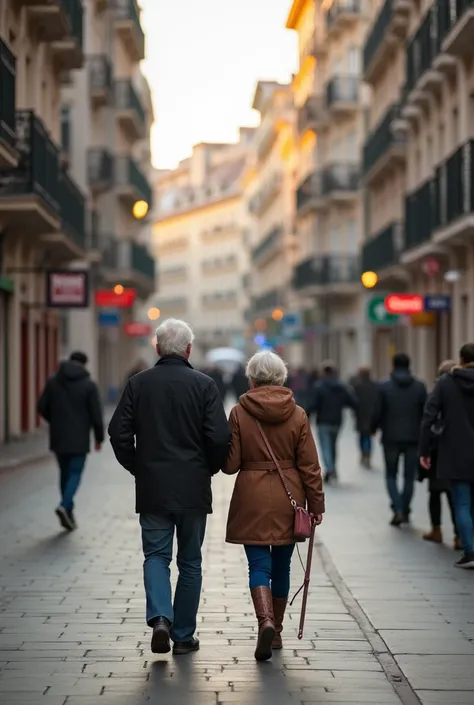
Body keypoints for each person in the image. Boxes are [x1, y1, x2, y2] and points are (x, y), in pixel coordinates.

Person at [108, 319, 230, 654]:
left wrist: (139, 467)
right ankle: (183, 635)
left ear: (157, 348)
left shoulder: (138, 384)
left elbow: (118, 432)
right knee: (190, 561)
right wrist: (210, 467)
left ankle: (161, 617)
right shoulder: (204, 385)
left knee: (156, 556)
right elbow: (220, 436)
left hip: (153, 487)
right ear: (188, 349)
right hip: (193, 487)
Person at [223, 351, 325, 662]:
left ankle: (264, 620)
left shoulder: (240, 412)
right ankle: (277, 629)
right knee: (282, 566)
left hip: (251, 497)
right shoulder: (298, 414)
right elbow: (310, 466)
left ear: (251, 378)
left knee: (258, 567)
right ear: (281, 378)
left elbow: (230, 465)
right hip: (288, 497)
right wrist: (316, 504)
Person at [420, 343, 474, 569]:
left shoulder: (445, 383)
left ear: (461, 359)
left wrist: (424, 450)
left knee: (461, 502)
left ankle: (470, 551)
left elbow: (428, 417)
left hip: (455, 452)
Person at [37, 351, 104, 531]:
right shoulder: (88, 385)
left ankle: (68, 511)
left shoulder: (53, 382)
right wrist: (99, 438)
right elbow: (97, 416)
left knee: (64, 473)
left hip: (58, 437)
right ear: (84, 364)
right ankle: (65, 506)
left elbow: (41, 407)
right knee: (75, 473)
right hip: (79, 438)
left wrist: (55, 420)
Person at [375, 353, 427, 526]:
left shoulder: (384, 386)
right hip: (413, 437)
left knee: (391, 474)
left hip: (390, 437)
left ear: (393, 364)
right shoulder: (420, 387)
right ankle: (405, 509)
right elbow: (425, 414)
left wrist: (373, 428)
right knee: (408, 476)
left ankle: (397, 508)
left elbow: (378, 410)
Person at [418, 359, 460, 550]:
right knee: (455, 496)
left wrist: (424, 450)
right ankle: (460, 536)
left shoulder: (437, 391)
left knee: (435, 492)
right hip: (457, 451)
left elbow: (428, 421)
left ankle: (436, 530)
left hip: (438, 450)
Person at [308, 361, 357, 482]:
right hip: (337, 421)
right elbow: (352, 401)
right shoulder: (341, 386)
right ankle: (333, 468)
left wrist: (306, 416)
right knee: (333, 446)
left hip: (323, 421)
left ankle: (329, 468)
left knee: (325, 446)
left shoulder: (319, 386)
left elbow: (313, 404)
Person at [351, 366, 379, 468]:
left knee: (362, 436)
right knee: (368, 436)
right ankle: (367, 454)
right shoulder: (375, 386)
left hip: (360, 414)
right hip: (371, 414)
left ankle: (364, 453)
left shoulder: (357, 386)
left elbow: (353, 401)